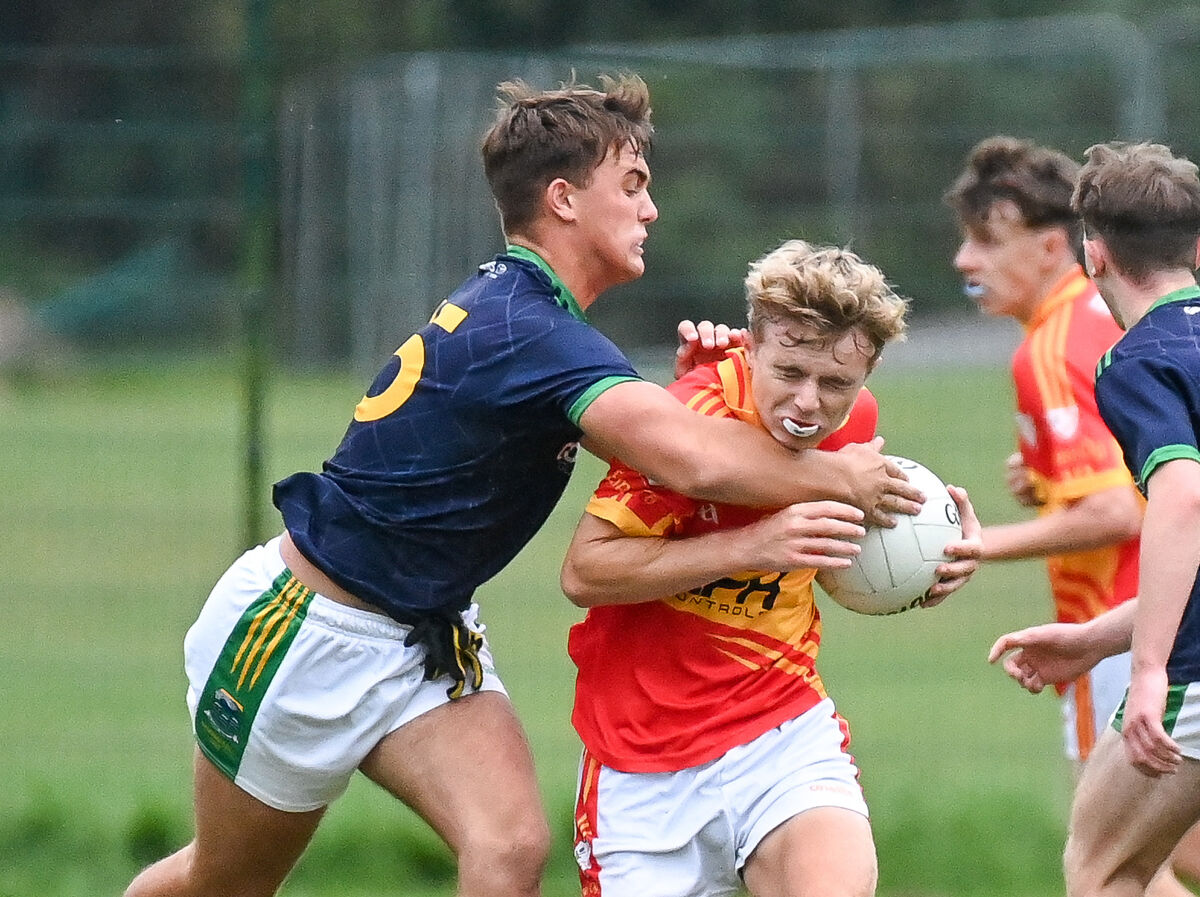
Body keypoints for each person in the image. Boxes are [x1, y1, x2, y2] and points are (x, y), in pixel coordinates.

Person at [124, 75, 924, 897]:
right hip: (307, 630)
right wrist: (844, 475)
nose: (651, 210)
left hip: (422, 632)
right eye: (634, 186)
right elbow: (690, 460)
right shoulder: (530, 331)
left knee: (507, 846)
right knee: (221, 883)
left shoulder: (535, 321)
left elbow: (677, 438)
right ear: (564, 199)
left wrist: (719, 391)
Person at [561, 239, 983, 897]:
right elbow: (586, 570)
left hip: (780, 735)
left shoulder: (854, 428)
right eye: (789, 372)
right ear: (751, 347)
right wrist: (758, 544)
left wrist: (933, 559)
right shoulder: (687, 424)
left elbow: (846, 549)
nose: (810, 402)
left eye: (837, 382)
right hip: (641, 766)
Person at [989, 140, 1200, 897]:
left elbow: (1182, 494)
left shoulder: (1139, 358)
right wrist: (1095, 637)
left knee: (1104, 866)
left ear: (1094, 253)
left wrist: (1146, 672)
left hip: (1193, 670)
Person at [944, 136, 1145, 764]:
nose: (963, 261)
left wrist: (969, 547)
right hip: (1169, 608)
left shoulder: (1050, 350)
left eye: (986, 241)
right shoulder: (1109, 312)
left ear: (1052, 246)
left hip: (1121, 627)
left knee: (1107, 861)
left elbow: (1115, 512)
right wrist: (1055, 480)